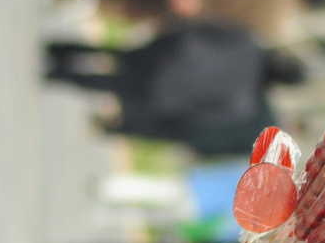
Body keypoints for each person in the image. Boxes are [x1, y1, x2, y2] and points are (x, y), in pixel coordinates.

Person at [45, 20, 304, 156]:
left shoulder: (249, 43)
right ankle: (63, 75)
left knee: (119, 55)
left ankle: (62, 49)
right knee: (113, 85)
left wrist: (179, 34)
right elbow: (206, 114)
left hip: (172, 54)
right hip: (167, 92)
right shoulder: (246, 102)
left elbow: (210, 28)